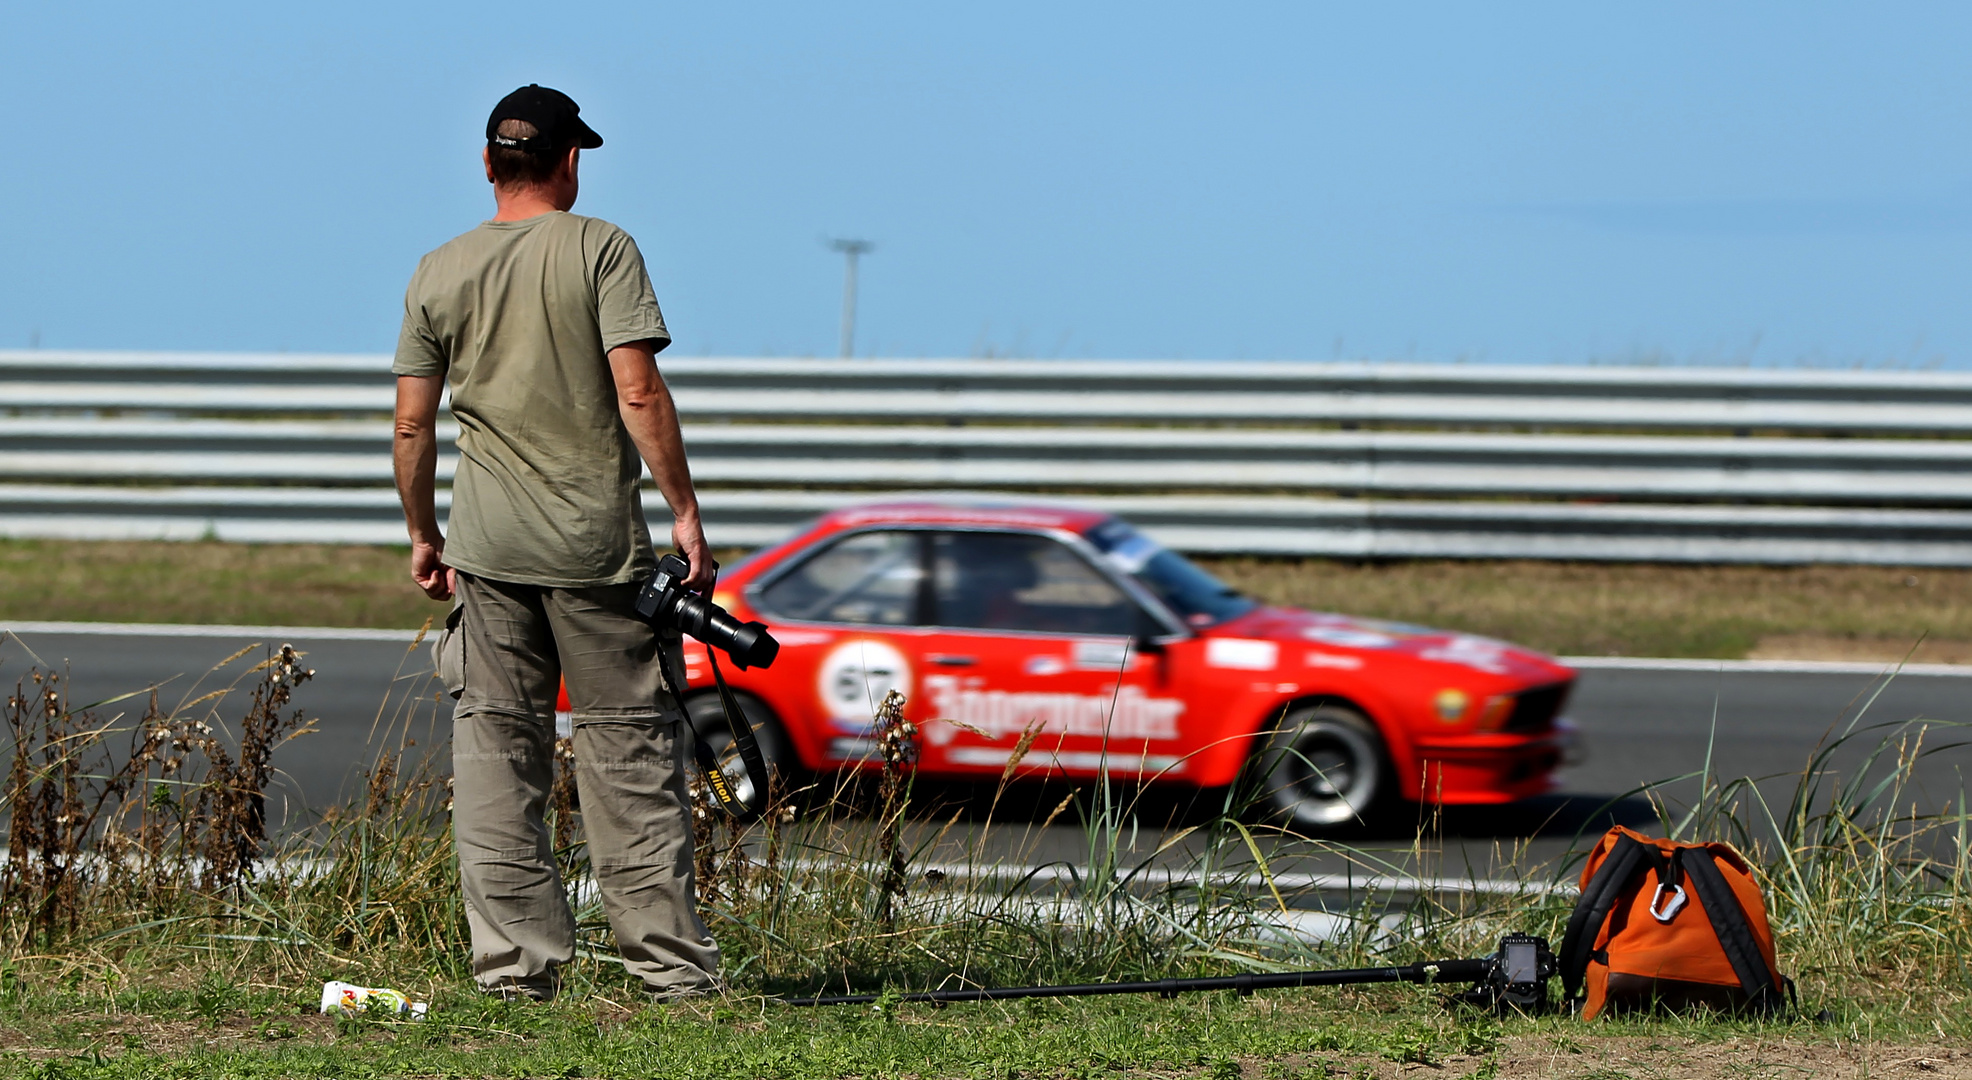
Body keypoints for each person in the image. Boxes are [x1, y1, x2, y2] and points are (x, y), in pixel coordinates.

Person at [390, 83, 720, 1002]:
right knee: (628, 760)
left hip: (486, 553)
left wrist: (426, 535)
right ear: (570, 161)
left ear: (490, 164)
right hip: (596, 553)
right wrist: (686, 514)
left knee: (496, 758)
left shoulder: (438, 269)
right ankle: (669, 977)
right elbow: (640, 394)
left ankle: (514, 974)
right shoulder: (602, 248)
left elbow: (413, 426)